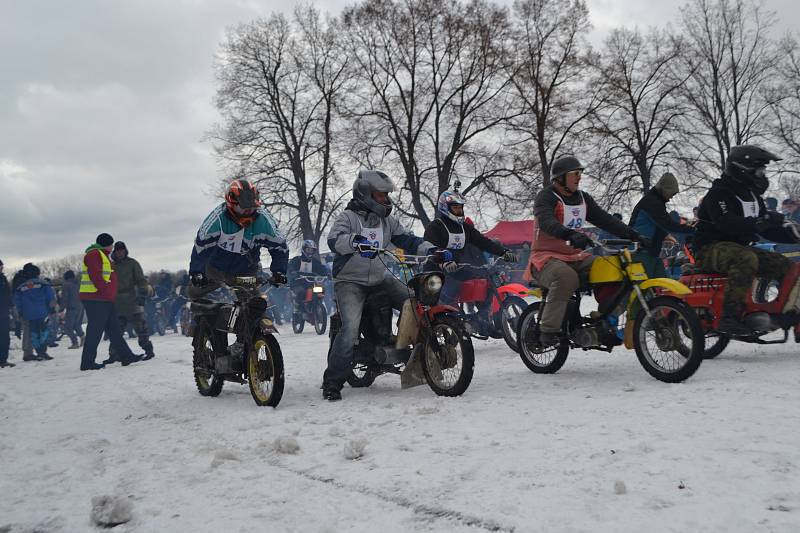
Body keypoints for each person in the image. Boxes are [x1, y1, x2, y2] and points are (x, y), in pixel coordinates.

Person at [322, 169, 438, 401]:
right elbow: (334, 240)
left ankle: (413, 353)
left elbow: (407, 239)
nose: (386, 199)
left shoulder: (387, 221)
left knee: (414, 301)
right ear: (365, 194)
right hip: (350, 281)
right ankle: (332, 383)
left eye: (386, 195)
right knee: (349, 329)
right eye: (381, 195)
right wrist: (354, 241)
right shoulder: (347, 218)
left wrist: (431, 249)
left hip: (379, 278)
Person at [526, 156, 649, 346]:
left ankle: (604, 319)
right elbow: (546, 221)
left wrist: (634, 235)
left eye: (580, 173)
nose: (579, 177)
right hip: (545, 257)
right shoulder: (547, 197)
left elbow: (605, 219)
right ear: (560, 178)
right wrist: (569, 234)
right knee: (566, 277)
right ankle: (547, 330)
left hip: (576, 255)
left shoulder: (583, 198)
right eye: (574, 174)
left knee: (616, 269)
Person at [693, 145, 800, 335]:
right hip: (709, 249)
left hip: (739, 248)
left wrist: (793, 235)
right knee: (746, 258)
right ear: (742, 169)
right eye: (759, 170)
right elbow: (728, 224)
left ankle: (783, 313)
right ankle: (730, 317)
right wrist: (762, 220)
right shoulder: (719, 193)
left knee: (786, 265)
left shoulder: (752, 196)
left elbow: (766, 229)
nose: (762, 175)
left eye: (763, 171)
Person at [189, 178, 288, 298]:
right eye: (243, 208)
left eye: (252, 207)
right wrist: (197, 272)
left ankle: (258, 316)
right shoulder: (217, 220)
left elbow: (280, 247)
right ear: (231, 204)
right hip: (215, 271)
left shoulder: (264, 222)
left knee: (255, 305)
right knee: (198, 297)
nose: (248, 211)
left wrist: (279, 272)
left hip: (245, 274)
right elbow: (201, 247)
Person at [422, 190, 515, 305]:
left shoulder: (465, 228)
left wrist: (503, 252)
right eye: (455, 207)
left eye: (461, 207)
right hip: (435, 272)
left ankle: (483, 317)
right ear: (445, 207)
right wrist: (444, 261)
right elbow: (429, 249)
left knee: (482, 282)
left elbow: (483, 242)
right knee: (452, 287)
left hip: (455, 270)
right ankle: (449, 318)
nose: (459, 211)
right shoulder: (435, 227)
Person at [79, 233, 143, 371]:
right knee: (94, 331)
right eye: (111, 244)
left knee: (114, 330)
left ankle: (126, 356)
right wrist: (107, 293)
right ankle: (87, 362)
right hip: (96, 299)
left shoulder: (101, 255)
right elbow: (96, 276)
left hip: (103, 299)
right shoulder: (94, 255)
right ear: (107, 244)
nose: (112, 247)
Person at [629, 172, 696, 278]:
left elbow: (656, 224)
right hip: (641, 252)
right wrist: (693, 229)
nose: (671, 197)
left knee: (662, 287)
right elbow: (667, 224)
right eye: (672, 194)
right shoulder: (652, 202)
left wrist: (666, 236)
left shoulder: (656, 202)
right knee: (644, 288)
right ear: (665, 189)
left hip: (651, 252)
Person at [107, 241, 155, 362]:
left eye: (122, 251)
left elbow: (141, 280)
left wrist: (142, 295)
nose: (120, 253)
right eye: (117, 251)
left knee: (141, 328)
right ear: (115, 252)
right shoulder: (111, 266)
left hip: (132, 299)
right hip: (117, 302)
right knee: (116, 330)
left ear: (125, 251)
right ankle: (114, 354)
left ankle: (148, 350)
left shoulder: (132, 264)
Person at [13, 264, 55, 361]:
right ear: (37, 274)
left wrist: (20, 312)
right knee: (43, 332)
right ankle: (42, 352)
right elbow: (50, 297)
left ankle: (37, 351)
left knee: (34, 333)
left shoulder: (21, 288)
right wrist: (51, 308)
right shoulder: (44, 284)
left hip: (29, 314)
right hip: (42, 312)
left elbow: (17, 301)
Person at [288, 240, 329, 316]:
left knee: (321, 289)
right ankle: (297, 309)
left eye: (312, 250)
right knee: (301, 292)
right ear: (304, 249)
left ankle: (317, 305)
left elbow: (321, 268)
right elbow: (290, 267)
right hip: (298, 283)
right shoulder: (297, 259)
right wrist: (293, 272)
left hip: (310, 283)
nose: (310, 252)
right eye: (308, 249)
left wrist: (327, 273)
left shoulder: (314, 261)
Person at [61, 270, 84, 349]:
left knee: (68, 327)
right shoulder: (78, 284)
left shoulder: (66, 285)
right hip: (80, 306)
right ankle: (82, 336)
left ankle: (75, 343)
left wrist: (61, 308)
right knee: (76, 324)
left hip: (71, 307)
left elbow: (65, 298)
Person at [0, 259, 13, 368]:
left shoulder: (3, 278)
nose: (2, 267)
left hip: (4, 311)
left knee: (5, 337)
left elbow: (7, 294)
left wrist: (10, 305)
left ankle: (3, 359)